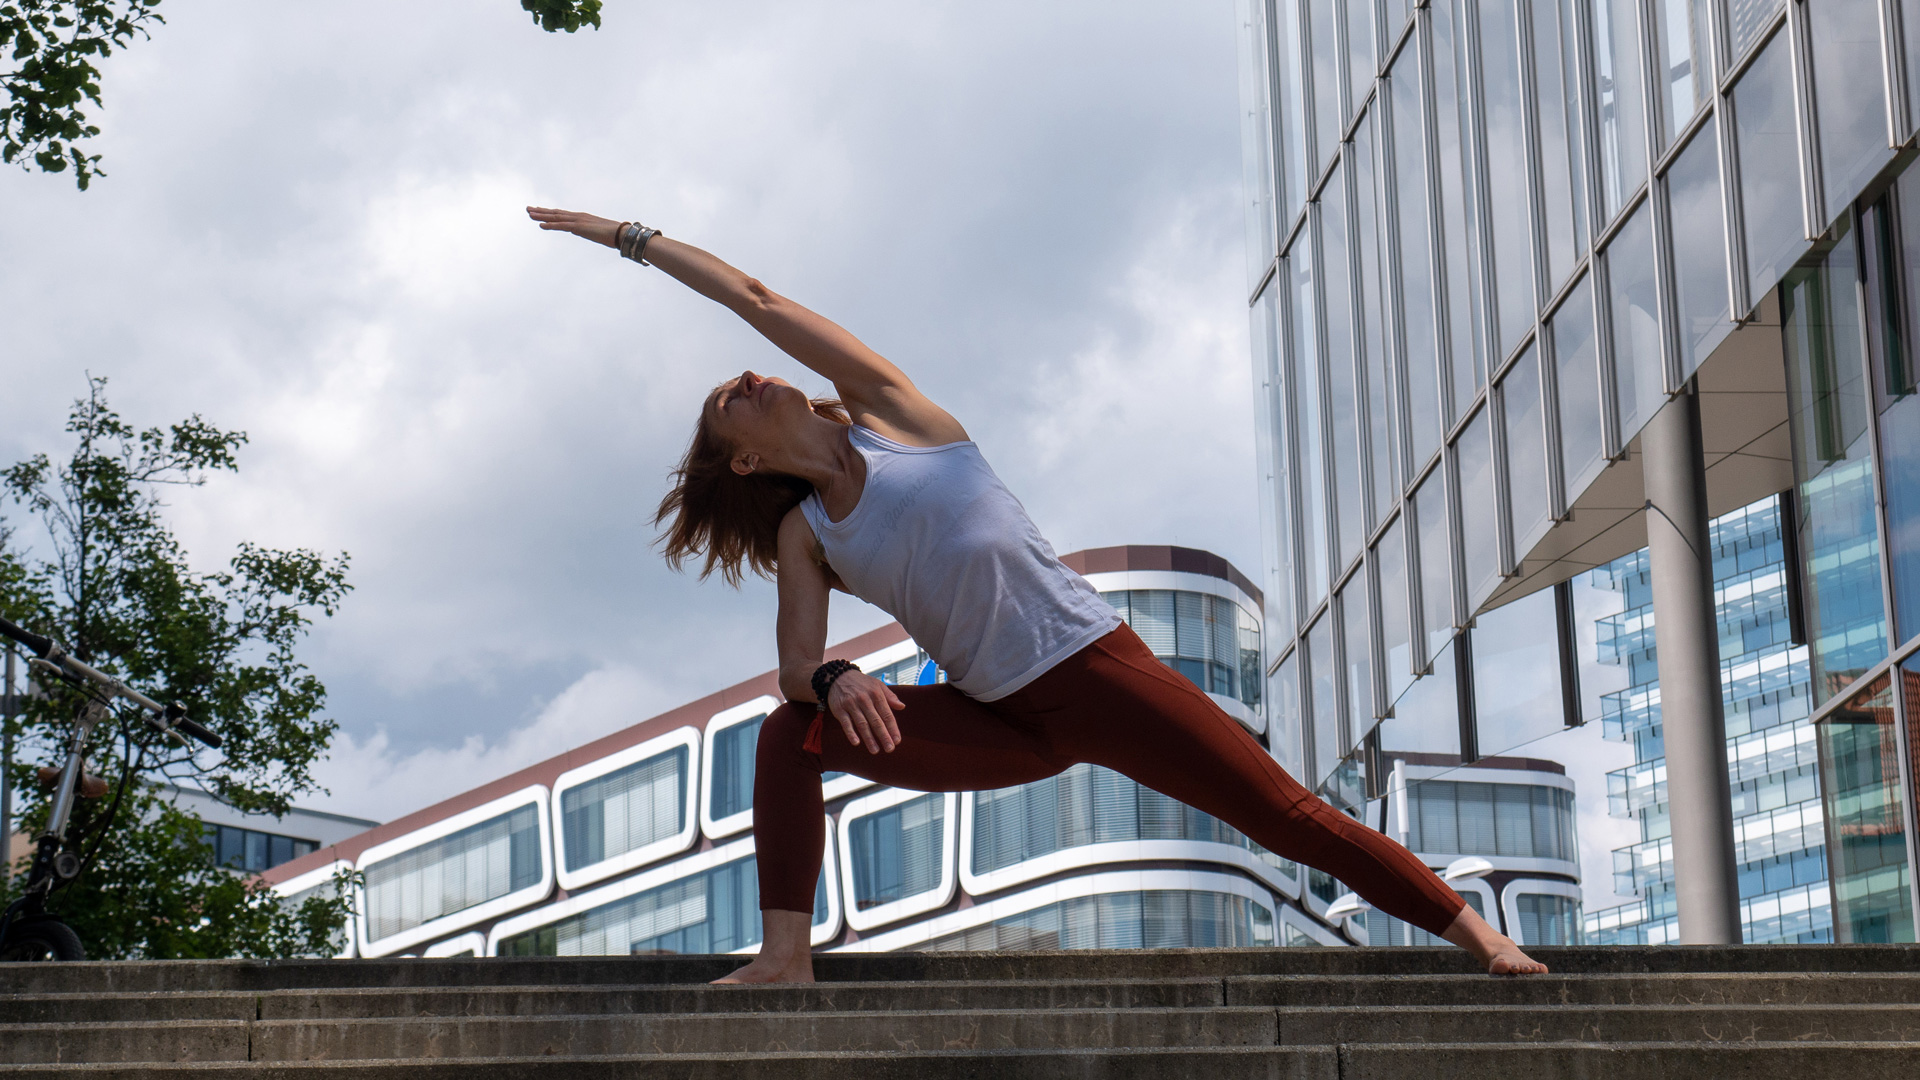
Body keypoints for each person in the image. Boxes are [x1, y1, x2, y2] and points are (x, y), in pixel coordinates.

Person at [528, 206, 1550, 982]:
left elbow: (757, 298)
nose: (745, 377)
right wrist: (834, 677)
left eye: (744, 376)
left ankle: (1477, 935)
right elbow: (797, 665)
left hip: (1094, 670)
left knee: (1279, 813)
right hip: (994, 716)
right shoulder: (808, 534)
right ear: (743, 464)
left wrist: (628, 236)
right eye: (725, 403)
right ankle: (786, 956)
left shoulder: (897, 417)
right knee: (785, 731)